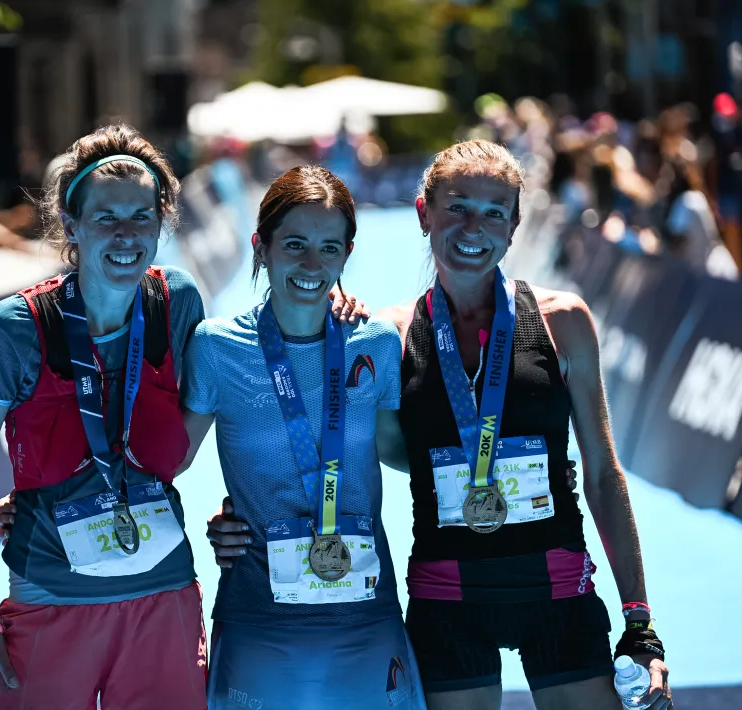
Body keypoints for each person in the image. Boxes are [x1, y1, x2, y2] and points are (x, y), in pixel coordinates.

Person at [209, 140, 672, 710]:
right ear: (424, 212)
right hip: (447, 596)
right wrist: (244, 513)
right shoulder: (384, 336)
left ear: (514, 225)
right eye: (457, 207)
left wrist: (640, 620)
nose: (473, 227)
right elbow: (349, 450)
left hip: (557, 586)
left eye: (493, 211)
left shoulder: (564, 321)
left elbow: (602, 473)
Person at [0, 124, 210, 710]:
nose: (126, 235)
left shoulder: (178, 304)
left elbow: (182, 447)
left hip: (163, 600)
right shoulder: (16, 329)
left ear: (162, 220)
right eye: (106, 218)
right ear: (71, 224)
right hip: (50, 601)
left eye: (142, 217)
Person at [181, 165, 425, 708]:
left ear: (346, 253)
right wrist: (45, 492)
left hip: (367, 614)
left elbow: (397, 451)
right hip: (258, 617)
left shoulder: (377, 343)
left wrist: (503, 462)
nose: (312, 265)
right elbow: (166, 462)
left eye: (328, 248)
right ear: (260, 247)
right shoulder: (217, 348)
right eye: (294, 244)